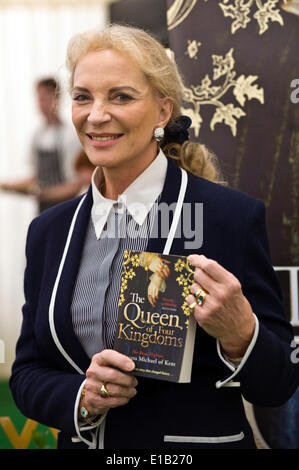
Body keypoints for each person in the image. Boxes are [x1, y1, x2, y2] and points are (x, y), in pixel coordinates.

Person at [9, 24, 299, 450]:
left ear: (163, 112)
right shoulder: (49, 231)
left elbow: (278, 383)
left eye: (121, 96)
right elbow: (28, 370)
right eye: (83, 96)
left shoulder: (228, 217)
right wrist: (82, 399)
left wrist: (241, 334)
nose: (96, 115)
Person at [0, 78, 81, 213]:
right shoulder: (37, 135)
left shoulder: (70, 135)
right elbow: (35, 177)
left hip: (66, 209)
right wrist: (5, 185)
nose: (41, 104)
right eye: (39, 99)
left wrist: (45, 194)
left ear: (57, 98)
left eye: (45, 98)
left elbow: (77, 184)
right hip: (43, 210)